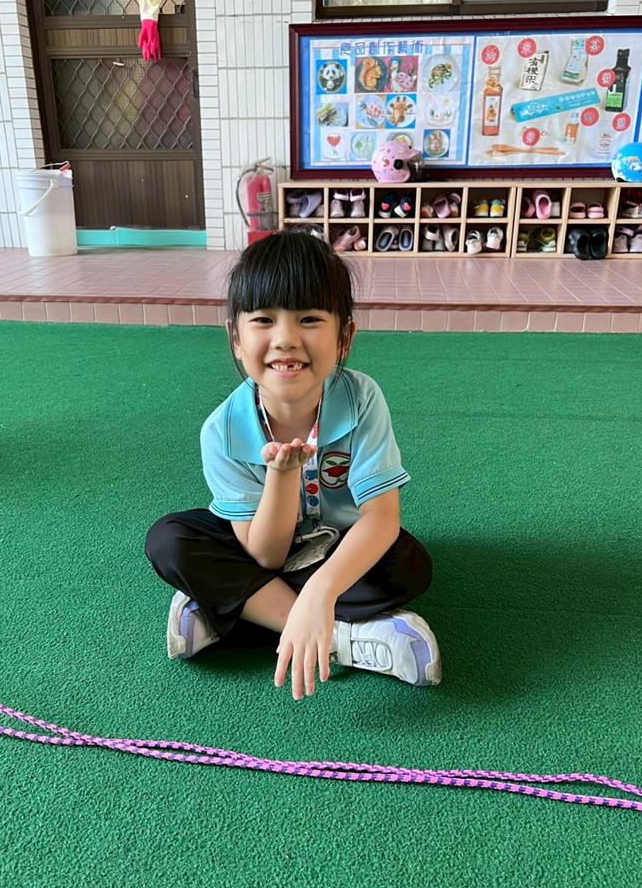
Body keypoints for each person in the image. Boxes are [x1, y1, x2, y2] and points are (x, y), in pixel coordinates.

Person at [145, 231, 440, 701]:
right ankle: (342, 638)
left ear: (344, 337)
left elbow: (381, 518)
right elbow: (266, 556)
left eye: (309, 319)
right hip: (259, 550)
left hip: (331, 548)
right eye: (264, 320)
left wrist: (321, 590)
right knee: (170, 539)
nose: (285, 339)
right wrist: (281, 478)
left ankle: (229, 607)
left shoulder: (361, 398)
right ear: (236, 339)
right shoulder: (222, 430)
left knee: (409, 566)